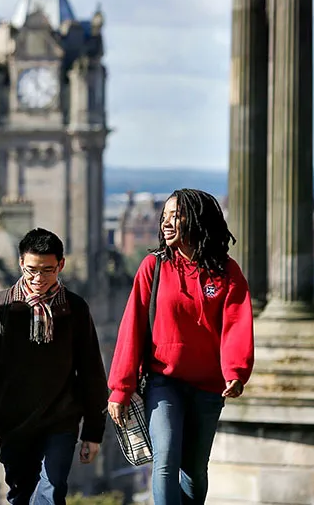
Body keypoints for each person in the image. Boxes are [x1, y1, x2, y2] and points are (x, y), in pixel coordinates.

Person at [107, 188, 255, 505]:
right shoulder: (153, 267)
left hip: (208, 384)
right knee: (165, 458)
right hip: (164, 380)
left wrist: (236, 372)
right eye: (166, 216)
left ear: (198, 220)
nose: (168, 223)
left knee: (193, 470)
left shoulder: (227, 273)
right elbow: (132, 327)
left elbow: (236, 325)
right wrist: (120, 387)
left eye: (178, 215)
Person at [0, 228, 109, 505]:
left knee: (51, 493)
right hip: (14, 422)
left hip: (61, 422)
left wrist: (93, 432)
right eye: (31, 270)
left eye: (47, 270)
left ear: (61, 265)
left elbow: (91, 372)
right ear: (21, 263)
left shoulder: (74, 308)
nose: (39, 279)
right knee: (21, 495)